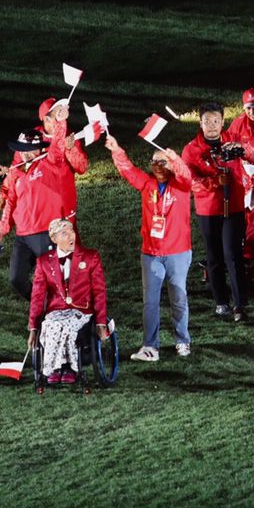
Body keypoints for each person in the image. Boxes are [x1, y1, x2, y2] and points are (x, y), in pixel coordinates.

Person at [107, 135, 196, 360]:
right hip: (151, 253)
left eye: (162, 162)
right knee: (151, 302)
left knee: (178, 297)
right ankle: (150, 347)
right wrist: (116, 150)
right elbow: (128, 170)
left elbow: (186, 175)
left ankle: (182, 341)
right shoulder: (147, 185)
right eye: (154, 162)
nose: (157, 166)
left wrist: (175, 160)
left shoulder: (181, 186)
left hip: (178, 251)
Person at [0, 99, 88, 298]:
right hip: (25, 232)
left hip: (55, 221)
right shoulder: (21, 163)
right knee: (18, 279)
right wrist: (2, 230)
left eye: (29, 151)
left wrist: (63, 129)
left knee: (65, 273)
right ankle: (44, 309)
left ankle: (84, 312)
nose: (25, 154)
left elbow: (66, 155)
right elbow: (11, 198)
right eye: (21, 150)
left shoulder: (49, 161)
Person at [183, 101, 251, 320]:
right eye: (207, 121)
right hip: (208, 209)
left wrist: (245, 153)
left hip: (234, 207)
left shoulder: (234, 142)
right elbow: (188, 181)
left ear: (223, 121)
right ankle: (221, 301)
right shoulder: (192, 149)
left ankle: (240, 303)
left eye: (216, 121)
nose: (211, 126)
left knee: (233, 254)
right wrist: (213, 181)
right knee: (214, 257)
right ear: (200, 123)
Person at [26, 217, 110, 385]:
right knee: (51, 325)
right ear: (54, 239)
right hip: (55, 312)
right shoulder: (43, 262)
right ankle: (56, 368)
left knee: (63, 325)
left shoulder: (90, 257)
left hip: (81, 311)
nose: (71, 236)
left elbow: (99, 291)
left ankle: (67, 368)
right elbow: (37, 296)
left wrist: (101, 322)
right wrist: (33, 327)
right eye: (64, 233)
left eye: (72, 231)